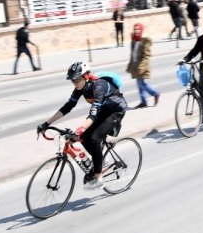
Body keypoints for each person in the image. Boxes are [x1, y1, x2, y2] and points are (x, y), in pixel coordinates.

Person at [37, 62, 128, 190]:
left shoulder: (99, 86)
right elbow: (67, 107)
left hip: (115, 111)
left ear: (86, 76)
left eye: (77, 80)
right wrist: (46, 123)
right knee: (84, 137)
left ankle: (98, 177)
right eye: (72, 81)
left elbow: (93, 115)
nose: (75, 83)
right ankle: (101, 159)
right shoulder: (81, 88)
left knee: (94, 138)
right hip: (103, 111)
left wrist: (79, 130)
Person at [127, 23, 160, 109]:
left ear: (141, 30)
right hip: (135, 65)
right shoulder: (134, 40)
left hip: (142, 65)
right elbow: (132, 54)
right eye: (135, 29)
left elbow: (147, 55)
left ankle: (155, 93)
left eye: (138, 29)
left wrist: (142, 67)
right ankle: (143, 101)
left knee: (141, 84)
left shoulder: (144, 40)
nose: (136, 31)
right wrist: (130, 66)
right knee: (139, 84)